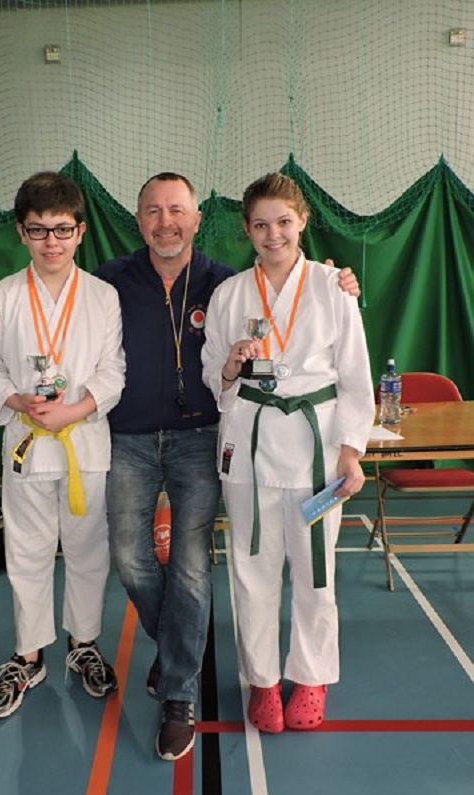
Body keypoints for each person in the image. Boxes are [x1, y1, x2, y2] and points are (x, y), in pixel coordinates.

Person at [0, 172, 361, 758]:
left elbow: (330, 357)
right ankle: (182, 645)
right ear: (138, 220)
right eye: (153, 211)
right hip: (127, 438)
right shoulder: (110, 282)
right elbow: (53, 293)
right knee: (129, 557)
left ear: (197, 219)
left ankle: (180, 689)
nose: (165, 221)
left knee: (194, 568)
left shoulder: (224, 283)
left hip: (203, 440)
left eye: (177, 210)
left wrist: (343, 284)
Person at [201, 172, 374, 735]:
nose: (272, 234)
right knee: (252, 572)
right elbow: (213, 376)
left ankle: (313, 675)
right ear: (246, 229)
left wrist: (351, 451)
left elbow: (355, 379)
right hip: (248, 449)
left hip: (317, 451)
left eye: (283, 222)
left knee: (315, 570)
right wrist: (229, 363)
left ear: (302, 221)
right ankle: (264, 681)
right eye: (260, 224)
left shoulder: (331, 289)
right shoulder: (229, 294)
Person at [0, 172, 125, 719]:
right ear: (21, 233)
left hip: (84, 443)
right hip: (28, 443)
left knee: (88, 551)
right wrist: (16, 401)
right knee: (28, 552)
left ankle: (83, 645)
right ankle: (28, 655)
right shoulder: (2, 298)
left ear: (80, 231)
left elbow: (113, 371)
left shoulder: (103, 297)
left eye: (62, 230)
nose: (51, 242)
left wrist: (75, 409)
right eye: (38, 231)